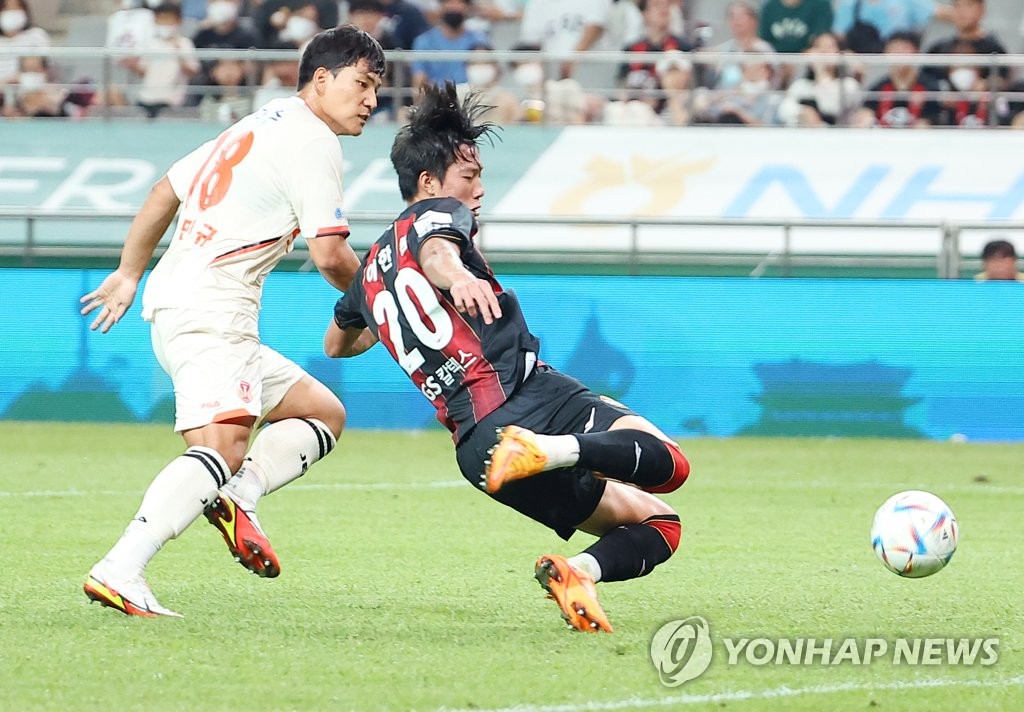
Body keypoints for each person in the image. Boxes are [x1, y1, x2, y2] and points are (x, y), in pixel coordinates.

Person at [325, 82, 690, 633]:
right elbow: (438, 248)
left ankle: (579, 571)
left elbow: (337, 343)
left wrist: (388, 318)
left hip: (478, 451)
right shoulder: (437, 215)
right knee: (670, 466)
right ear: (428, 183)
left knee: (661, 524)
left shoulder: (372, 268)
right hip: (524, 398)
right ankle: (551, 449)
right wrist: (458, 275)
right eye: (469, 177)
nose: (478, 190)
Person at [80, 25, 385, 618]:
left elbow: (165, 189)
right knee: (223, 444)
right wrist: (379, 300)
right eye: (363, 83)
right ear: (321, 79)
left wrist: (127, 272)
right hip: (211, 309)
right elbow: (329, 253)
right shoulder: (314, 142)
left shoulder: (263, 120)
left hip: (189, 303)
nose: (372, 99)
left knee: (322, 413)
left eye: (376, 88)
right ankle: (121, 566)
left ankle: (239, 496)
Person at [120, 2, 200, 118]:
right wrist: (132, 65)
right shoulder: (150, 44)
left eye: (168, 19)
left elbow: (193, 72)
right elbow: (144, 72)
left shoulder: (184, 43)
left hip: (172, 100)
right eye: (161, 19)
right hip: (147, 97)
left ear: (178, 21)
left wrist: (179, 54)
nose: (164, 24)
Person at [851, 31, 942, 128]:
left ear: (916, 52)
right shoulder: (879, 87)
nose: (898, 54)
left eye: (904, 49)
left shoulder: (930, 87)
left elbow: (933, 118)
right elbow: (866, 111)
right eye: (894, 49)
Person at [410, 0, 488, 93]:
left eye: (460, 2)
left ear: (467, 7)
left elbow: (487, 79)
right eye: (449, 2)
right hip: (437, 99)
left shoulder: (479, 39)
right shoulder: (424, 42)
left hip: (470, 98)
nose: (454, 7)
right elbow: (419, 83)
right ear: (441, 6)